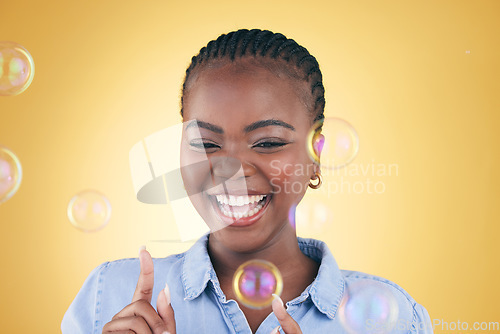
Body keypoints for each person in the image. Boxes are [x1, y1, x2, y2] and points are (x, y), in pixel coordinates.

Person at [61, 29, 432, 334]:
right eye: (206, 144)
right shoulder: (108, 295)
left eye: (268, 143)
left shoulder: (395, 319)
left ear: (316, 153)